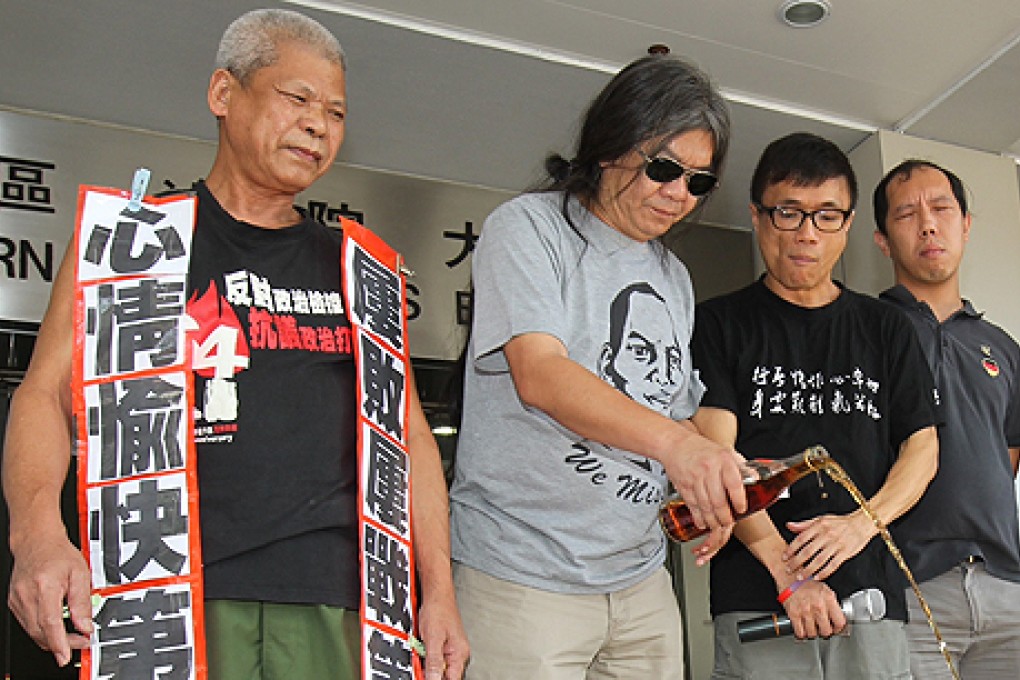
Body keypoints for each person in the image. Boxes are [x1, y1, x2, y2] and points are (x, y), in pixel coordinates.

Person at [2, 9, 468, 680]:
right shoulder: (133, 245)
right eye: (298, 99)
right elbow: (43, 392)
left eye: (336, 113)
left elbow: (410, 440)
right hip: (167, 597)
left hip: (339, 604)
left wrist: (439, 594)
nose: (318, 125)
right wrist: (37, 536)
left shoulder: (363, 271)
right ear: (224, 94)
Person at [448, 54, 750, 680]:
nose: (678, 195)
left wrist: (716, 475)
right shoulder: (529, 229)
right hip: (520, 572)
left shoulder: (673, 277)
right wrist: (679, 449)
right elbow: (541, 374)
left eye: (698, 182)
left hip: (640, 581)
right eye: (664, 169)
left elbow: (672, 411)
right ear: (610, 145)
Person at [691, 132, 939, 679]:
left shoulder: (887, 328)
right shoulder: (716, 324)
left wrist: (858, 526)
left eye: (827, 216)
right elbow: (715, 456)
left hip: (871, 594)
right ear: (757, 217)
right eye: (789, 213)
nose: (807, 235)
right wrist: (790, 574)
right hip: (757, 594)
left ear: (848, 225)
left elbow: (922, 449)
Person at [873, 159, 1020, 678]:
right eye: (907, 214)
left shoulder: (1003, 348)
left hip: (1007, 589)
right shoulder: (864, 331)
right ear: (883, 240)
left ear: (965, 224)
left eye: (941, 209)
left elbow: (1006, 459)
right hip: (910, 588)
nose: (928, 224)